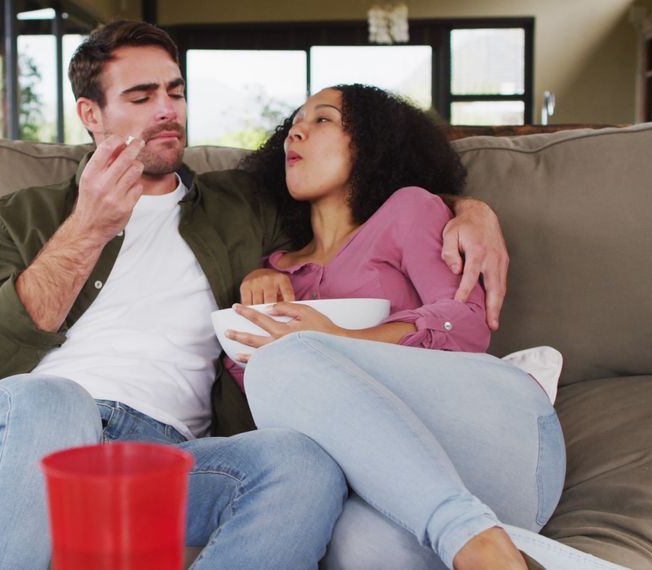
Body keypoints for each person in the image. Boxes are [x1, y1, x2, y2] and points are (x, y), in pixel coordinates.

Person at [0, 20, 509, 569]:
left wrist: (467, 211)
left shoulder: (244, 204)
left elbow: (361, 199)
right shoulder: (21, 216)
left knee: (302, 463)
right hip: (25, 435)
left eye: (175, 93)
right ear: (91, 115)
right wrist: (88, 228)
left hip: (165, 457)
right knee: (49, 401)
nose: (167, 111)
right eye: (141, 97)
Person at [227, 85, 618, 569]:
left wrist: (337, 341)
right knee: (359, 549)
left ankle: (476, 542)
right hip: (392, 489)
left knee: (286, 357)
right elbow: (268, 392)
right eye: (294, 122)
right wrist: (262, 281)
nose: (297, 131)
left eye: (323, 119)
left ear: (369, 143)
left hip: (495, 442)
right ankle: (494, 549)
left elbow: (466, 326)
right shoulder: (275, 275)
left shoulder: (408, 211)